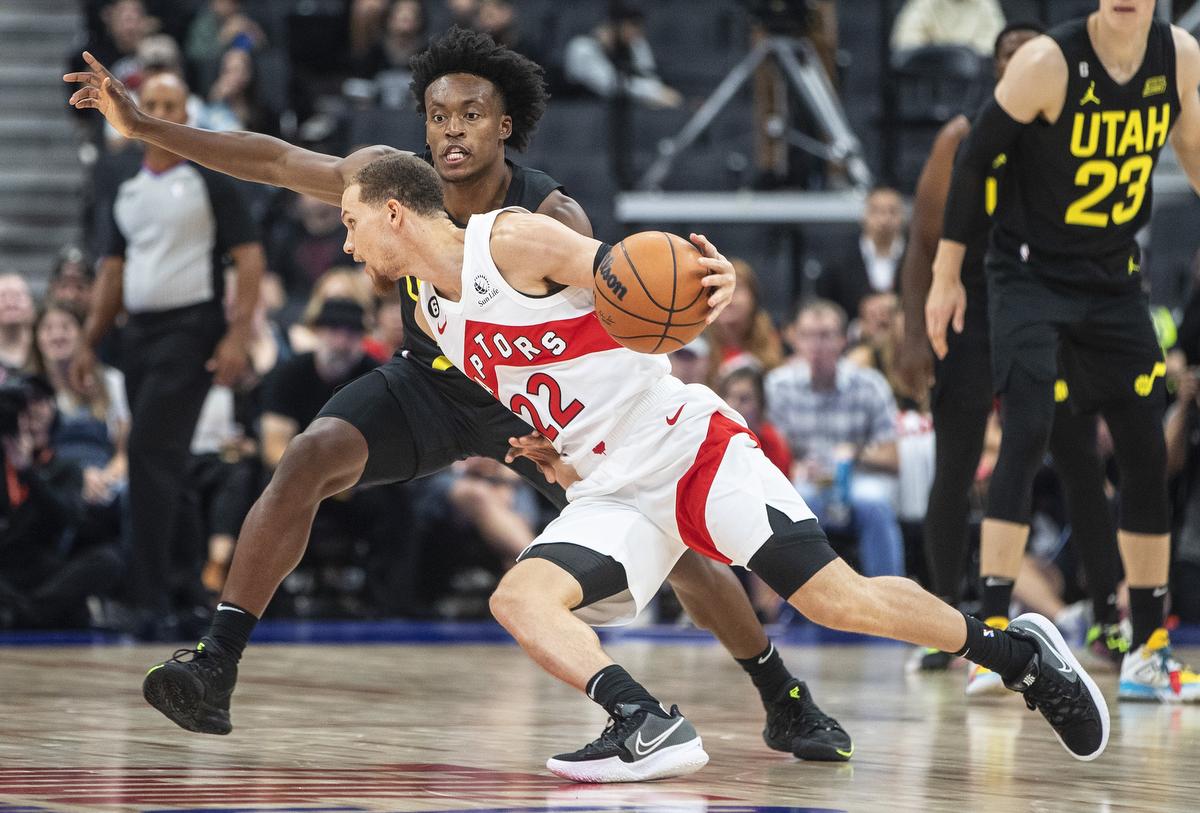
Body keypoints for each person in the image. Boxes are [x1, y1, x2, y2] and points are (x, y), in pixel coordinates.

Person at [67, 28, 852, 760]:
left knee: (671, 540)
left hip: (532, 402)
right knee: (308, 455)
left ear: (504, 126)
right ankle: (215, 662)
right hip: (431, 382)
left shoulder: (550, 215)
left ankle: (782, 695)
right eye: (438, 114)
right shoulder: (392, 186)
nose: (451, 129)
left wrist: (690, 308)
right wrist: (145, 128)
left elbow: (624, 321)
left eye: (471, 114)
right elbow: (274, 160)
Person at [337, 153, 1106, 778]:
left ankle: (1018, 656)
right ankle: (643, 718)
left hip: (681, 442)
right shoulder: (431, 310)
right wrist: (552, 441)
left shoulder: (508, 241)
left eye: (351, 221)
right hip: (611, 486)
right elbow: (547, 376)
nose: (347, 243)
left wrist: (715, 286)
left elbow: (632, 272)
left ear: (393, 211)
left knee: (836, 599)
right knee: (520, 600)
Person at [926, 0, 1200, 702]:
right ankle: (990, 641)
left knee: (1143, 448)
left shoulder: (1180, 57)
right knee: (1026, 430)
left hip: (1112, 277)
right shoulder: (1049, 61)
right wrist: (946, 274)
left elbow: (1194, 152)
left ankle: (1146, 648)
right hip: (1028, 275)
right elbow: (975, 158)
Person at [898, 22, 1129, 681]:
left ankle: (1110, 619)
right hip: (971, 309)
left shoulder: (1067, 134)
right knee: (956, 462)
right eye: (1005, 56)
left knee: (1080, 458)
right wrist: (915, 334)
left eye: (1027, 54)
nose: (1017, 63)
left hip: (1045, 309)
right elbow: (922, 242)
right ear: (996, 68)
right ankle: (945, 618)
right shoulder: (961, 137)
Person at [68, 72, 265, 640]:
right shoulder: (123, 181)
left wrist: (235, 338)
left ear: (187, 111)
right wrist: (87, 341)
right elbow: (111, 271)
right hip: (137, 336)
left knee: (151, 451)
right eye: (149, 103)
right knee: (165, 463)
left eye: (169, 104)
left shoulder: (212, 176)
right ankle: (184, 591)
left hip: (192, 329)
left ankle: (146, 597)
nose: (157, 111)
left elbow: (249, 260)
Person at [766, 300, 906, 578]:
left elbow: (893, 457)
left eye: (826, 335)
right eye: (807, 336)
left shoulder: (869, 383)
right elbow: (772, 451)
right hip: (804, 478)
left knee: (875, 503)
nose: (816, 345)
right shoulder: (778, 386)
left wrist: (856, 453)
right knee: (797, 501)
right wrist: (795, 468)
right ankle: (798, 606)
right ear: (794, 339)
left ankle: (891, 603)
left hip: (857, 477)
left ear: (843, 340)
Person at [815, 186, 906, 318]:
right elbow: (825, 304)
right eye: (876, 211)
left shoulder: (917, 260)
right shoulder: (838, 259)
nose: (884, 219)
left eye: (892, 211)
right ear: (864, 215)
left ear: (903, 216)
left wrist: (897, 304)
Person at [891, 0, 1006, 60]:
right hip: (928, 81)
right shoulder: (923, 4)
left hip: (974, 84)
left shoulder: (986, 5)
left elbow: (995, 45)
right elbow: (906, 43)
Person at [0, 273, 35, 371]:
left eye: (17, 296)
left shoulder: (44, 347)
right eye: (2, 296)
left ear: (31, 306)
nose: (10, 302)